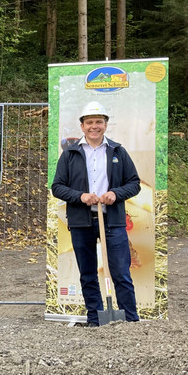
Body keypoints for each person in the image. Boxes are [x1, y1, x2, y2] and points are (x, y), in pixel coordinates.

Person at [51, 101, 141, 326]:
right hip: (82, 222)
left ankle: (130, 320)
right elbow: (57, 187)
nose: (94, 126)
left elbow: (134, 183)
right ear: (82, 126)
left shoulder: (118, 151)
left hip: (113, 221)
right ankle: (95, 319)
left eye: (99, 121)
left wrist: (116, 194)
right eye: (89, 122)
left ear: (106, 125)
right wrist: (80, 196)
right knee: (88, 274)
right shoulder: (70, 154)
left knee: (121, 273)